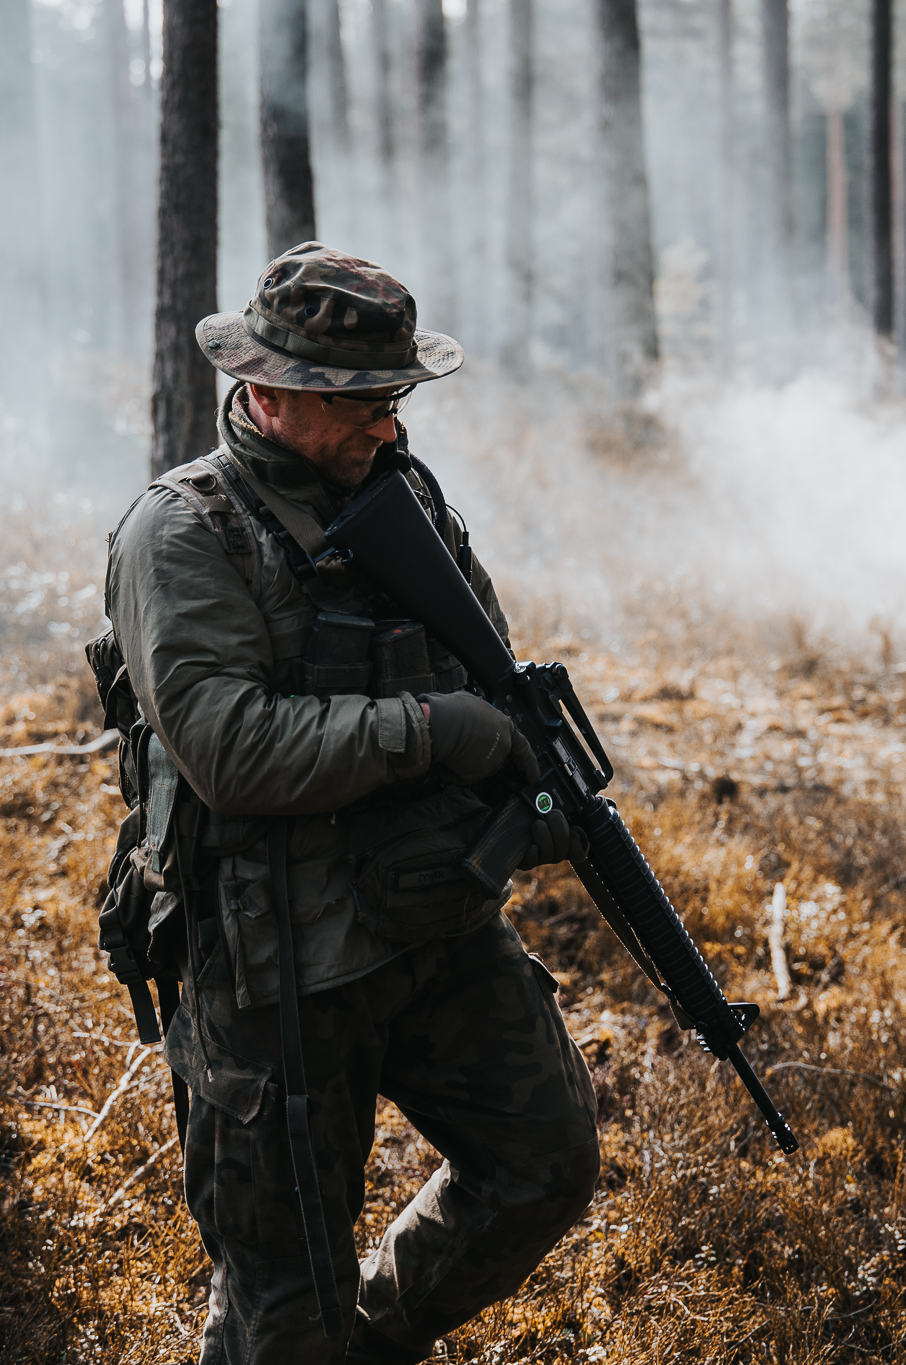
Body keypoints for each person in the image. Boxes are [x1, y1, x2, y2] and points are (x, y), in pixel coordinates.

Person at [103, 243, 600, 1364]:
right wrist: (431, 731)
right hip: (272, 959)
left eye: (393, 401)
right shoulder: (183, 533)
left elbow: (484, 661)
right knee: (285, 1307)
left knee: (545, 1163)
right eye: (360, 405)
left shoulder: (401, 494)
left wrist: (524, 777)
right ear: (267, 393)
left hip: (430, 919)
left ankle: (363, 1344)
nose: (387, 428)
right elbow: (229, 749)